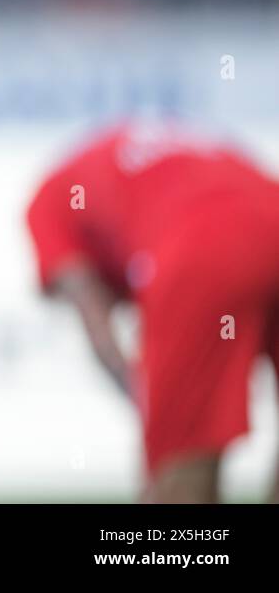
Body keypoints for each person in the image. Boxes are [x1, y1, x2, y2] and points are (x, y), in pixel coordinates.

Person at [26, 120, 279, 503]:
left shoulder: (46, 203)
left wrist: (153, 408)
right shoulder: (166, 152)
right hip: (268, 206)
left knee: (176, 482)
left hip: (202, 253)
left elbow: (100, 330)